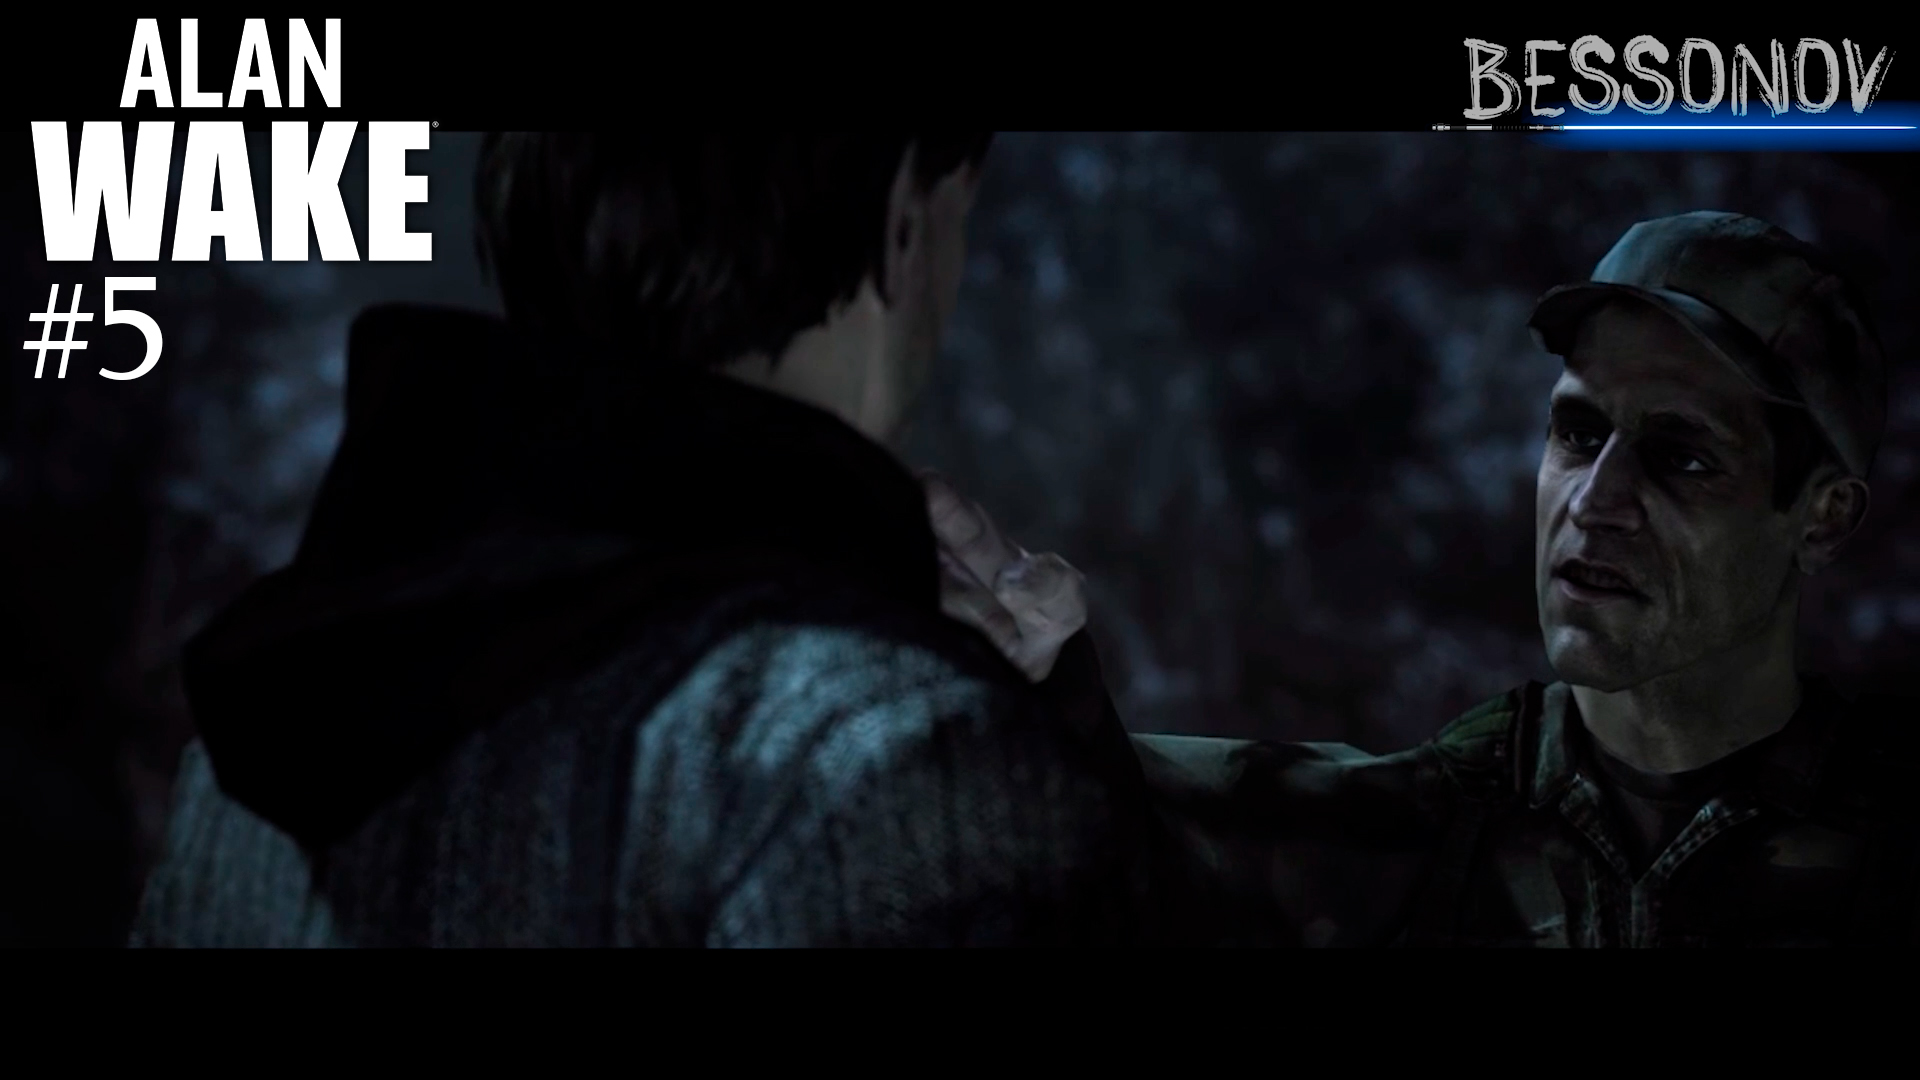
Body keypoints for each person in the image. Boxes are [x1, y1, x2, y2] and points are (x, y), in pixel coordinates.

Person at [130, 133, 1167, 947]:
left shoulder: (250, 750)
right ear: (903, 217)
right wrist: (1001, 728)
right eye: (959, 218)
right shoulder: (883, 752)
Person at [934, 211, 1918, 946]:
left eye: (1681, 457)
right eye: (1578, 434)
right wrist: (1042, 684)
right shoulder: (1440, 828)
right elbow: (1157, 828)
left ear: (1822, 516)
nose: (1596, 502)